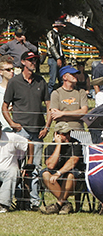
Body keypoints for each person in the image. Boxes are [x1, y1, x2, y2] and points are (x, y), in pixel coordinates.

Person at [2, 50, 49, 209]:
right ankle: (20, 199)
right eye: (30, 60)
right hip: (20, 131)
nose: (33, 63)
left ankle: (34, 202)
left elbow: (49, 106)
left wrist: (47, 125)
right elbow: (4, 107)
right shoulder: (14, 82)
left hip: (37, 130)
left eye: (35, 60)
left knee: (34, 167)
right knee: (18, 166)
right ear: (23, 62)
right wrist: (13, 123)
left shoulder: (41, 81)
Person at [39, 122, 85, 215]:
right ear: (57, 134)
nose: (67, 136)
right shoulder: (50, 147)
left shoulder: (75, 144)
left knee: (70, 175)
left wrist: (59, 173)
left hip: (75, 180)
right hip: (57, 181)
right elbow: (50, 166)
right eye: (64, 134)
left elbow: (73, 161)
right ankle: (66, 204)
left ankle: (59, 204)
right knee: (45, 174)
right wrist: (58, 145)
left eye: (68, 133)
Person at [46, 65, 88, 131]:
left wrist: (62, 113)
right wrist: (76, 115)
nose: (76, 76)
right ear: (64, 77)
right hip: (61, 130)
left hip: (79, 130)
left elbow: (84, 112)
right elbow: (55, 116)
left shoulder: (81, 92)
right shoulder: (56, 93)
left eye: (76, 74)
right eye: (72, 74)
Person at [0, 125, 28, 212]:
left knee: (12, 172)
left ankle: (3, 205)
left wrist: (29, 163)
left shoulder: (11, 137)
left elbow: (29, 144)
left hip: (8, 169)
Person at [45, 20, 66, 94]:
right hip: (53, 59)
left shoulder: (58, 35)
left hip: (59, 58)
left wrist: (63, 57)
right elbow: (52, 47)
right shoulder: (51, 33)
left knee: (61, 78)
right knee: (52, 80)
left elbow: (60, 48)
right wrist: (58, 58)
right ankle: (49, 96)